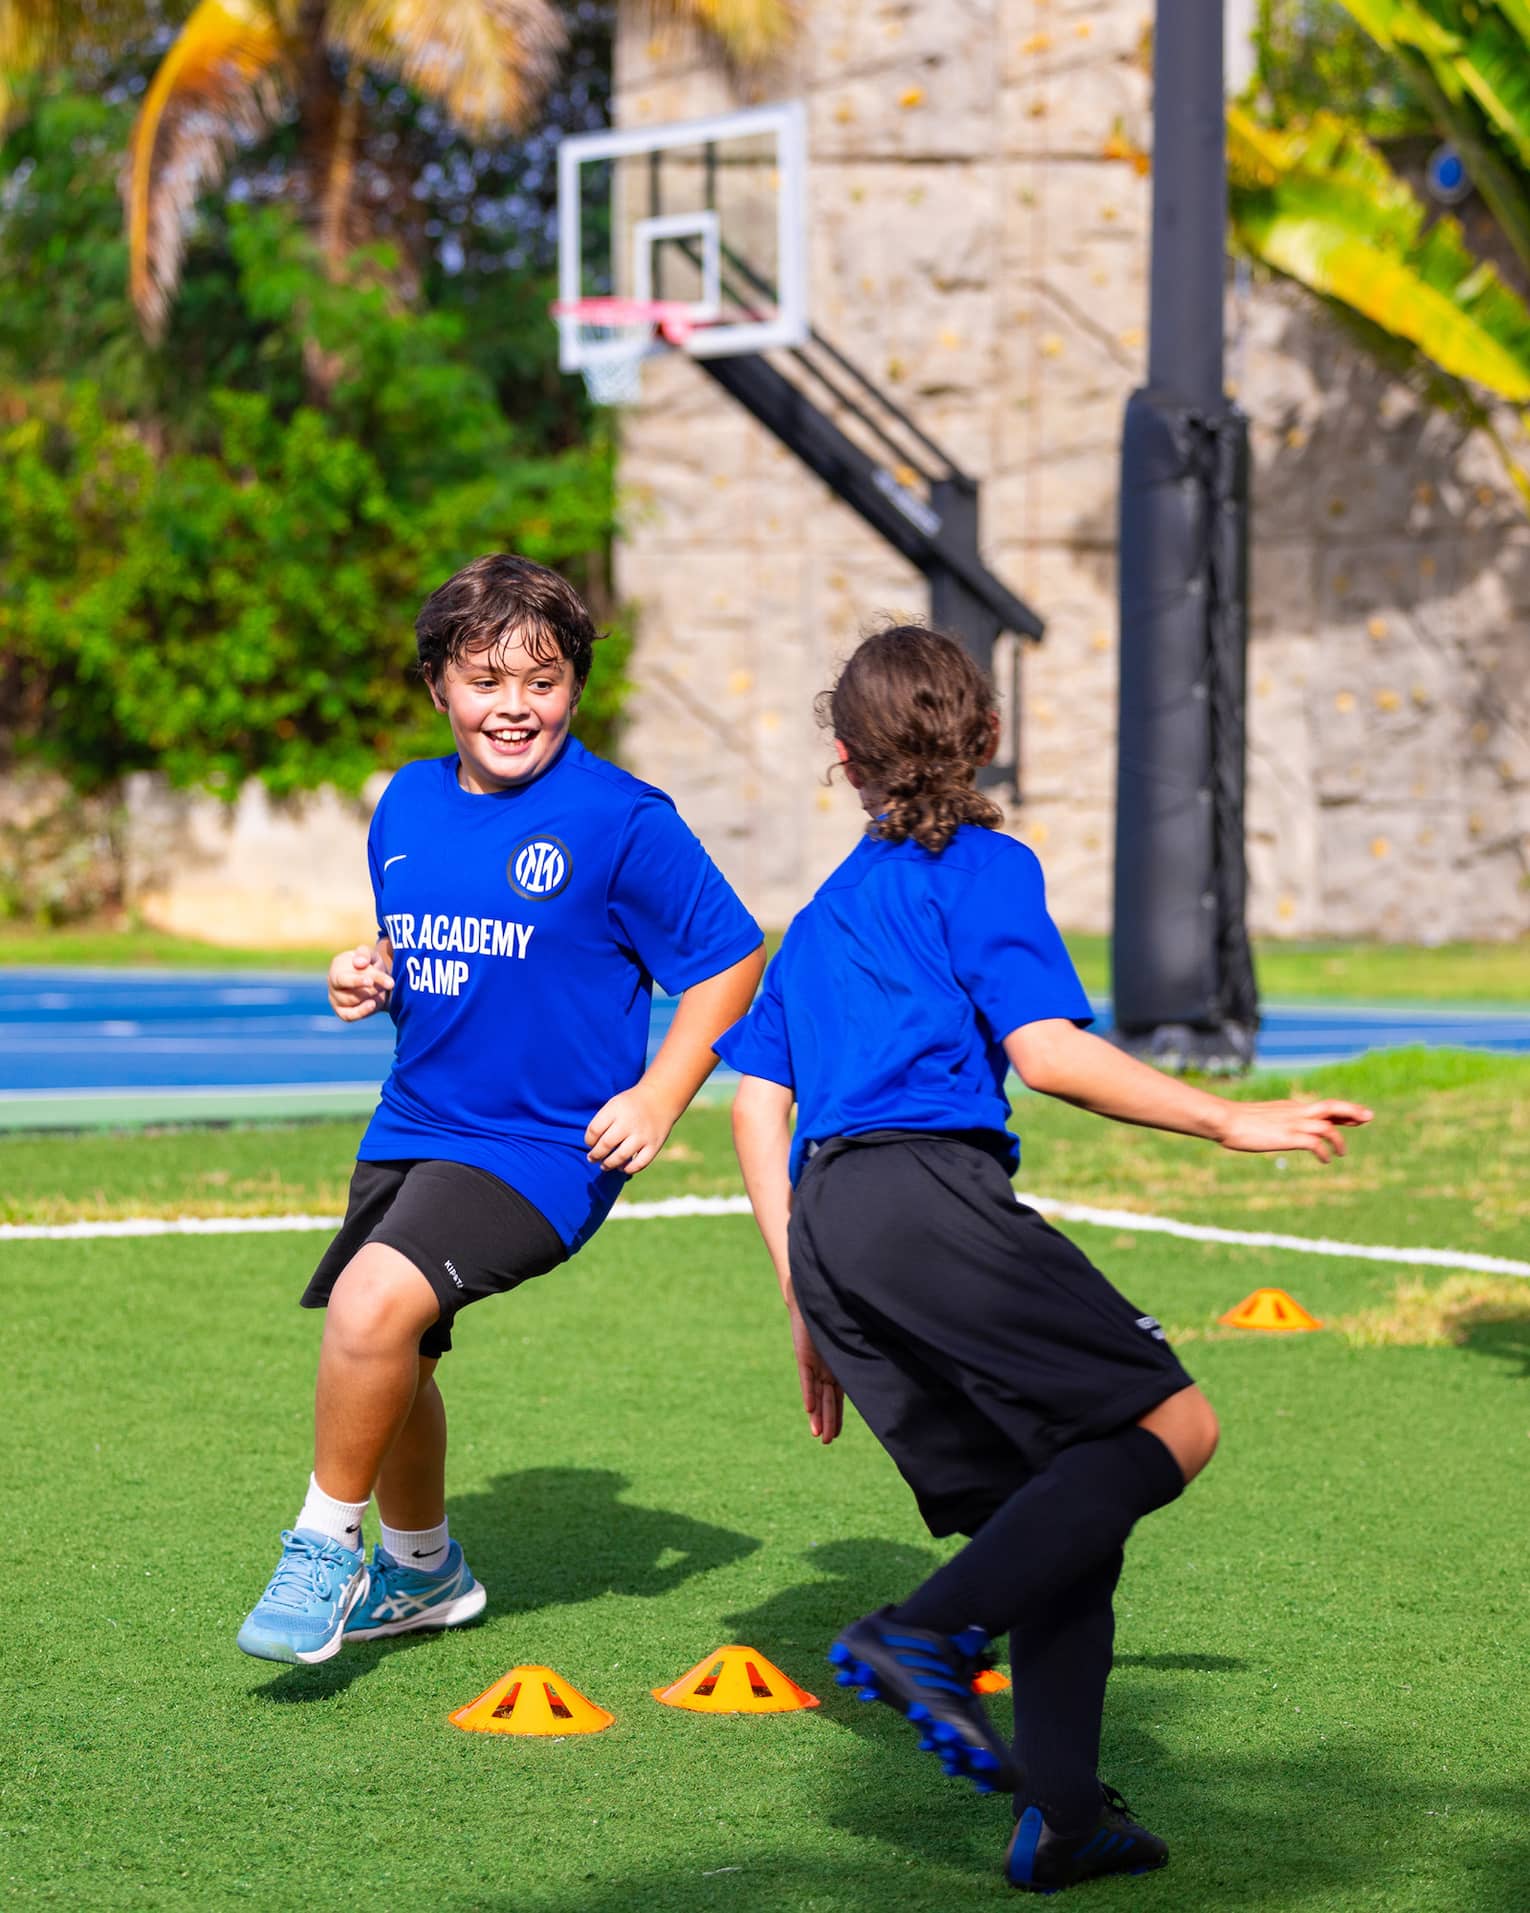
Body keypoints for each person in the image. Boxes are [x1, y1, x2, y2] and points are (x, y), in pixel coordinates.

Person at [720, 624, 1371, 1894]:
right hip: (924, 1195)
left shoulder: (824, 912)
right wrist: (1233, 1117)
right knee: (1171, 1426)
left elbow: (755, 1101)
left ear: (843, 758)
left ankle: (1066, 1816)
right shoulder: (986, 865)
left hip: (837, 1223)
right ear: (989, 738)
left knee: (1060, 1521)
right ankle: (923, 1630)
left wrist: (807, 1286)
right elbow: (1050, 1053)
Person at [237, 554, 764, 1666]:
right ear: (438, 685)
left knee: (371, 1304)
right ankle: (424, 1570)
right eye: (486, 680)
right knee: (400, 1352)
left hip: (542, 1148)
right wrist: (366, 970)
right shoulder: (407, 802)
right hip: (414, 1124)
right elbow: (428, 941)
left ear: (575, 685)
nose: (514, 707)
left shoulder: (623, 818)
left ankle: (324, 1543)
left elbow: (730, 958)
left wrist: (663, 1092)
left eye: (542, 680)